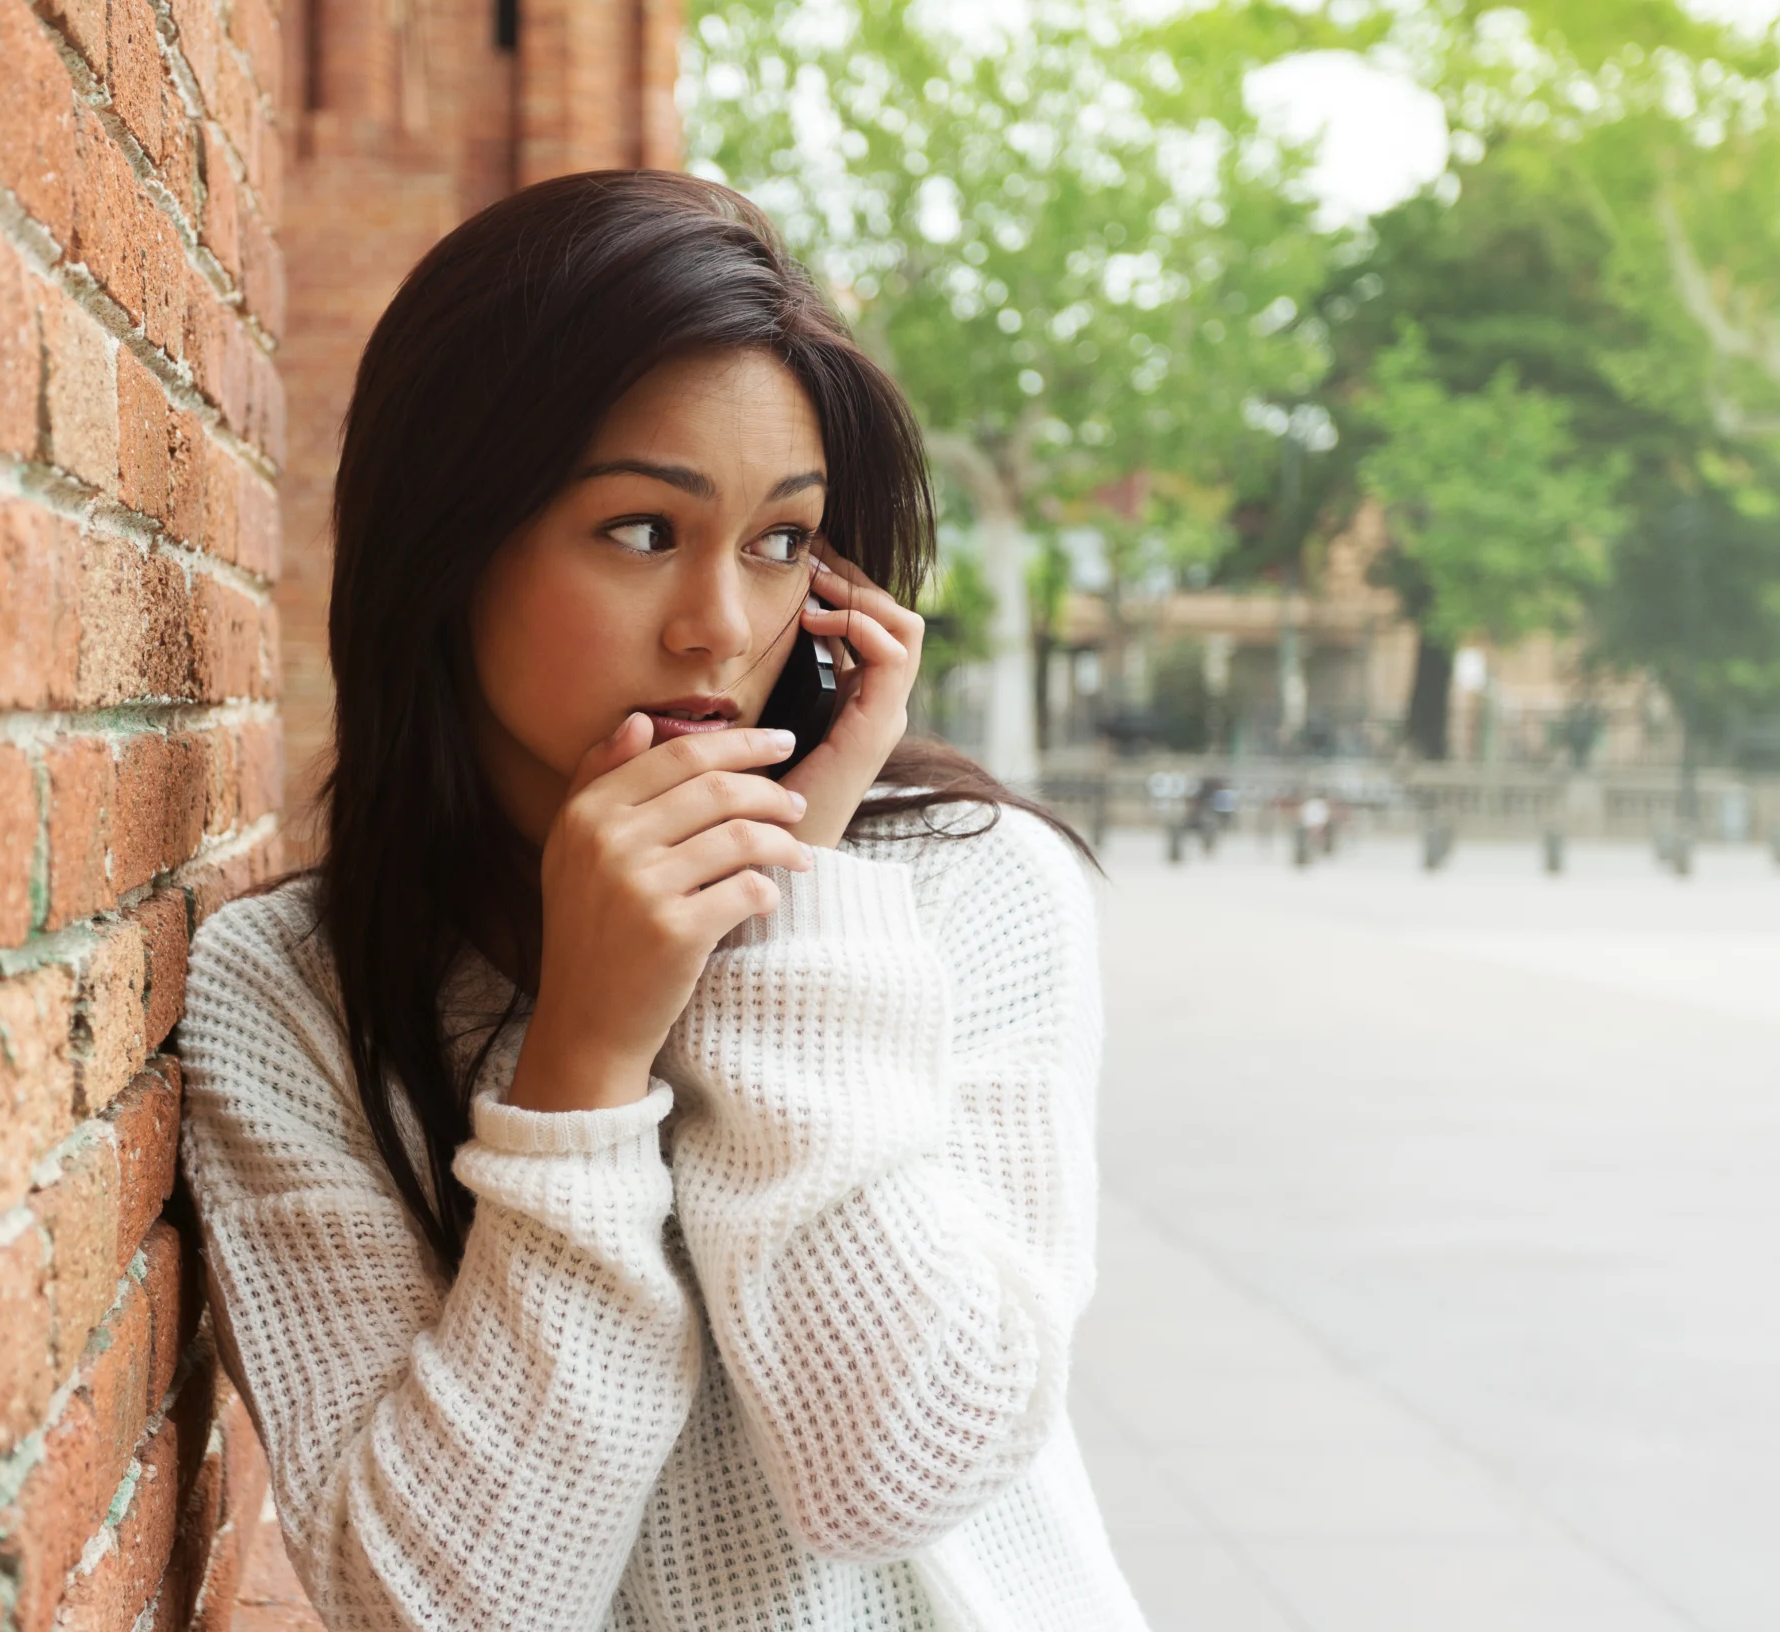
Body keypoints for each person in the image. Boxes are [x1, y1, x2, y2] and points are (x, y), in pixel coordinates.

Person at [175, 169, 1148, 1632]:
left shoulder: (970, 887)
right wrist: (580, 1070)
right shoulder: (289, 990)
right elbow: (436, 1609)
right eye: (641, 530)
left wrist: (777, 909)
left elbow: (900, 1470)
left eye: (778, 543)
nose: (726, 626)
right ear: (448, 548)